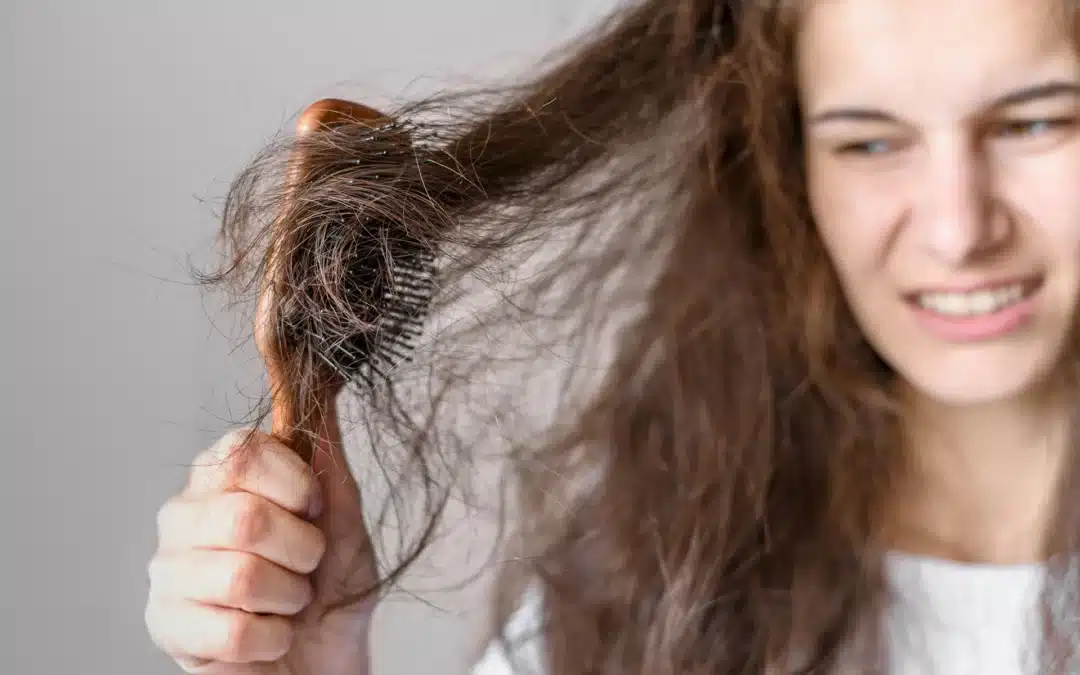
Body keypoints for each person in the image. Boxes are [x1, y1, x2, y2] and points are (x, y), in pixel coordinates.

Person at [144, 0, 1080, 672]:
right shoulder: (653, 580)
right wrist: (319, 666)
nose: (960, 230)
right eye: (868, 142)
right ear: (790, 170)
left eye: (1036, 122)